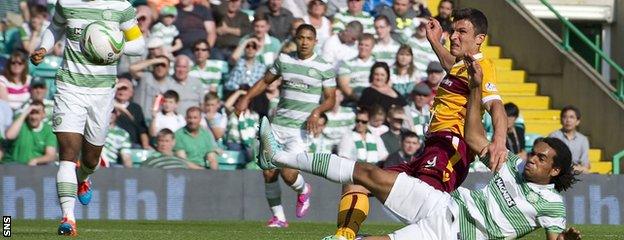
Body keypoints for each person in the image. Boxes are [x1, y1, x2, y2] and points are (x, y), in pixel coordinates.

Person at [257, 52, 582, 240]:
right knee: (366, 173)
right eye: (534, 152)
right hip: (445, 204)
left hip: (452, 236)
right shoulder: (511, 163)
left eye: (541, 158)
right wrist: (475, 90)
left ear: (555, 170)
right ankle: (277, 155)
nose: (532, 160)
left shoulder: (552, 205)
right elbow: (473, 136)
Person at [29, 0, 146, 235]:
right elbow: (55, 28)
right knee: (67, 155)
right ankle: (68, 219)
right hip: (69, 86)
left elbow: (139, 44)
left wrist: (114, 45)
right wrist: (44, 47)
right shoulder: (67, 3)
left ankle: (84, 177)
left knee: (91, 159)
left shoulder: (121, 7)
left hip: (102, 92)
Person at [235, 24, 336, 227]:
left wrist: (317, 111)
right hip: (278, 124)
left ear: (315, 41)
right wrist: (246, 98)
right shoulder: (284, 59)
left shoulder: (324, 67)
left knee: (288, 173)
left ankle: (303, 190)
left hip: (299, 130)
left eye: (309, 38)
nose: (305, 42)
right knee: (268, 171)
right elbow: (265, 81)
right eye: (301, 38)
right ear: (296, 39)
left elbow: (331, 99)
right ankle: (279, 217)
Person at [332, 107, 387, 239]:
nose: (360, 124)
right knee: (352, 187)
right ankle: (345, 232)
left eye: (363, 121)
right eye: (358, 120)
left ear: (368, 122)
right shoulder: (348, 136)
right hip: (355, 174)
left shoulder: (374, 137)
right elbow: (343, 158)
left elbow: (384, 156)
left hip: (374, 174)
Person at [2, 101, 57, 165]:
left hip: (36, 168)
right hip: (14, 165)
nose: (33, 117)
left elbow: (50, 155)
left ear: (43, 115)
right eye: (31, 113)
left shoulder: (48, 130)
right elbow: (9, 136)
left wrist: (36, 160)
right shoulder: (20, 123)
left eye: (37, 113)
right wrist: (25, 112)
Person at [548, 105, 590, 173]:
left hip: (575, 171)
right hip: (558, 170)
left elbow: (585, 164)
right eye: (565, 117)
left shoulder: (583, 140)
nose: (568, 120)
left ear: (578, 121)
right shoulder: (553, 136)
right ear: (561, 120)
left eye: (572, 117)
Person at [337, 33, 376, 102]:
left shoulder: (377, 65)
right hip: (352, 101)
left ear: (372, 47)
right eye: (361, 44)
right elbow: (344, 85)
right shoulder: (346, 64)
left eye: (367, 45)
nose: (363, 48)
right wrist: (360, 100)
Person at [114, 78, 151, 149]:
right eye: (119, 88)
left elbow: (142, 130)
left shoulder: (136, 108)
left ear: (131, 93)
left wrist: (145, 146)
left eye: (124, 89)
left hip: (132, 144)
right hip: (113, 143)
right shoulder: (108, 106)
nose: (121, 91)